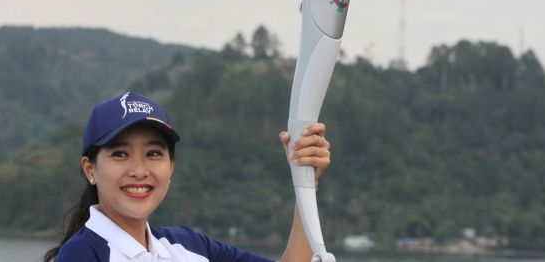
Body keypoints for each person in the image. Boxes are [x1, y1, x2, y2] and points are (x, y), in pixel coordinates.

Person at [43, 91, 331, 261]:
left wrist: (305, 179)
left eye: (154, 154)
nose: (139, 169)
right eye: (120, 154)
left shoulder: (187, 246)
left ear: (171, 167)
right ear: (90, 169)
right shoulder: (82, 255)